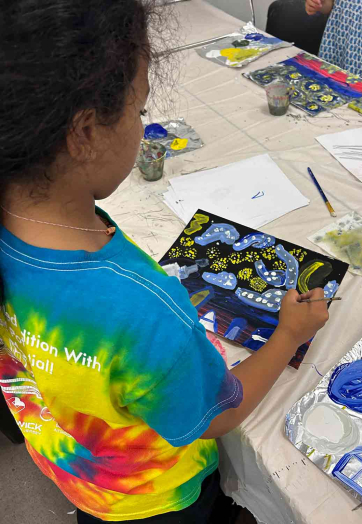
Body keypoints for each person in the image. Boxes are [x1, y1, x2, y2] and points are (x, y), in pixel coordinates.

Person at [0, 1, 329, 523]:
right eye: (140, 111)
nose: (141, 124)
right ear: (85, 133)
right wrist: (289, 334)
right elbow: (220, 415)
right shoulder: (146, 311)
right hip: (155, 500)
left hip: (78, 472)